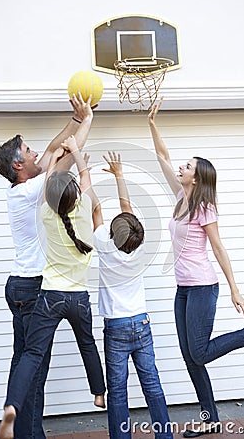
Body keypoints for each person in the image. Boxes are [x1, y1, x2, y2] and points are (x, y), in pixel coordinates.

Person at [148, 97, 244, 438]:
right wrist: (152, 123)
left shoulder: (204, 207)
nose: (181, 168)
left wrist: (234, 290)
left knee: (199, 351)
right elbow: (162, 157)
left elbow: (218, 247)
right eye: (183, 165)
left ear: (196, 179)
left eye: (187, 167)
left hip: (202, 287)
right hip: (183, 290)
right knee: (191, 358)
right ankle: (210, 418)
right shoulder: (181, 197)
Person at [0, 94, 95, 439]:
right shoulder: (32, 190)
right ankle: (30, 435)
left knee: (23, 360)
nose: (37, 151)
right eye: (28, 151)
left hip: (18, 285)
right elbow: (63, 158)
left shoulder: (20, 188)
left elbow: (53, 150)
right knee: (35, 367)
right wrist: (88, 122)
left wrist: (75, 120)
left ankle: (19, 424)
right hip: (34, 288)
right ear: (19, 166)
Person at [92, 151, 173, 439]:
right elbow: (127, 209)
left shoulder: (104, 243)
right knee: (152, 384)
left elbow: (97, 211)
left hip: (115, 326)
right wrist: (120, 174)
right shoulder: (139, 245)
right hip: (141, 322)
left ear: (113, 233)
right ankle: (165, 435)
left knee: (117, 390)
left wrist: (86, 175)